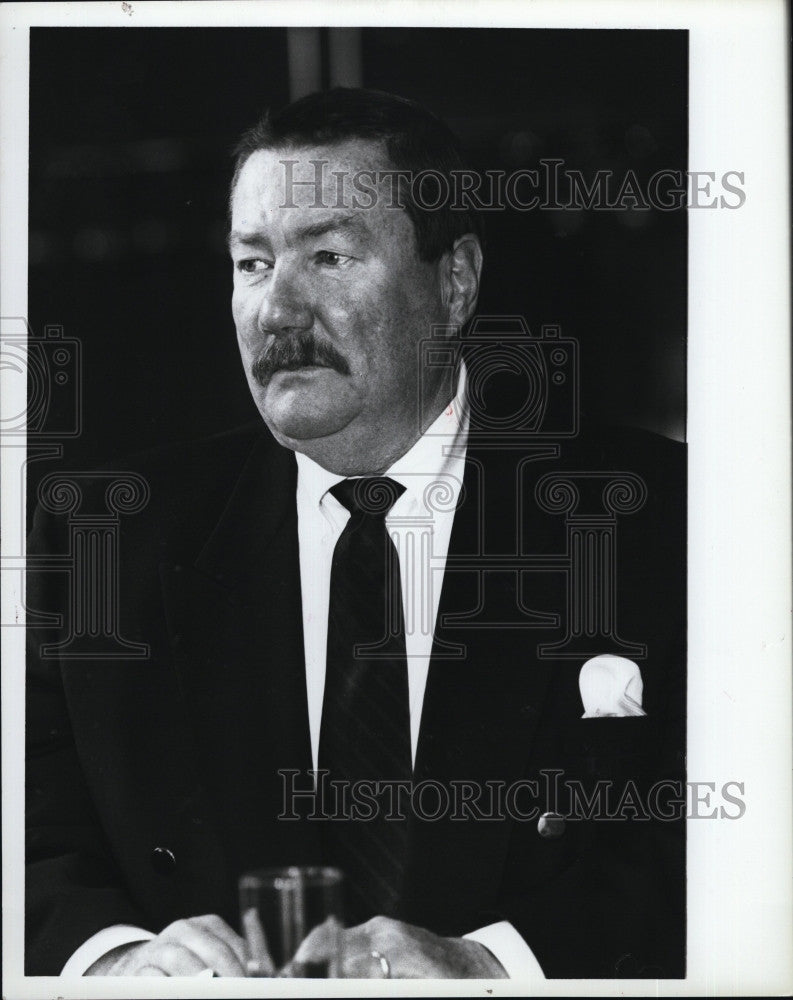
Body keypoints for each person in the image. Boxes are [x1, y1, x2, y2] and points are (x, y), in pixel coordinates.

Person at [25, 88, 685, 979]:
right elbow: (27, 832)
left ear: (452, 284)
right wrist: (115, 962)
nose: (277, 312)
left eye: (328, 256)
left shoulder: (660, 513)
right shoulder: (107, 534)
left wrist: (494, 967)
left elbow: (721, 850)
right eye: (252, 264)